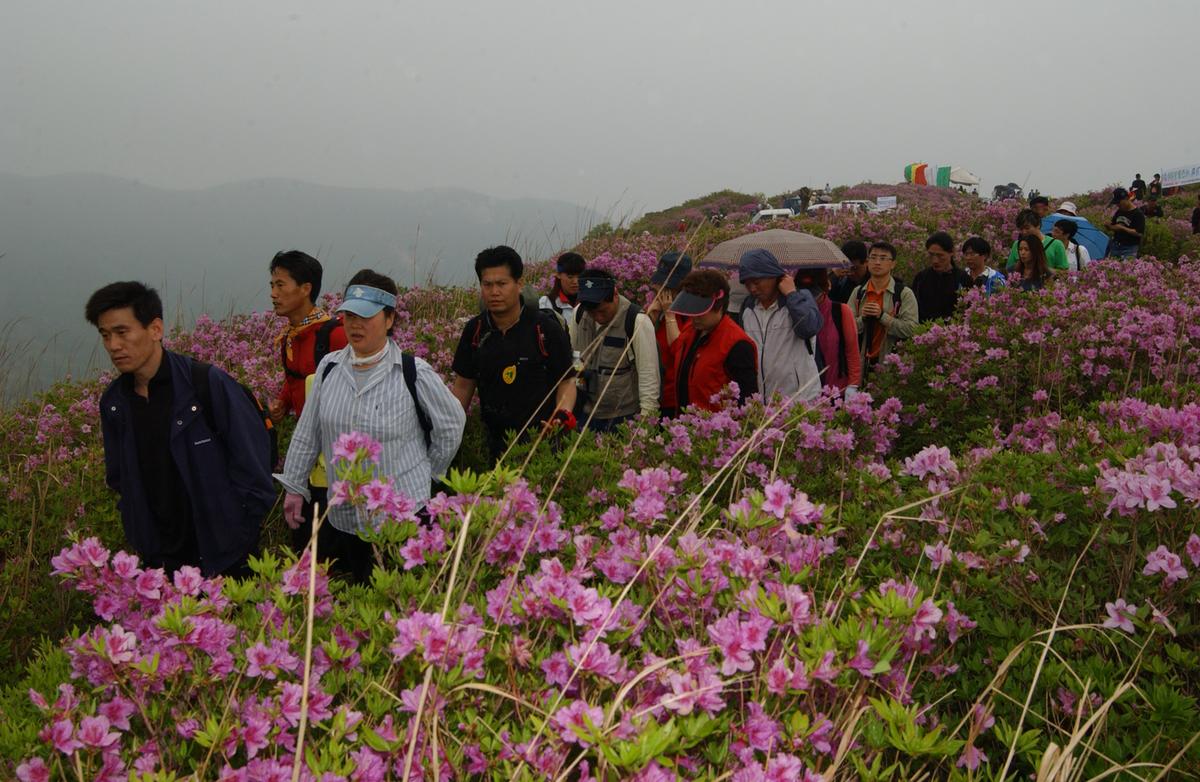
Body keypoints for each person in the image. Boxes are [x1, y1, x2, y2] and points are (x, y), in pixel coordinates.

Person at [277, 271, 466, 582]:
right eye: (349, 315)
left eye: (366, 316)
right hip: (343, 517)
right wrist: (294, 487)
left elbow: (451, 424)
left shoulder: (413, 372)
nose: (355, 324)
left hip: (399, 521)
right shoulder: (329, 368)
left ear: (390, 319)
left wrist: (428, 473)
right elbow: (308, 432)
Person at [88, 281, 275, 577]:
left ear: (155, 329)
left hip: (224, 559)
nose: (113, 345)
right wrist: (139, 532)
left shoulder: (205, 384)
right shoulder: (114, 404)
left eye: (122, 332)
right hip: (160, 563)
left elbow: (253, 465)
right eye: (105, 335)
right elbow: (120, 478)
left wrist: (237, 534)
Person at [452, 246, 576, 460]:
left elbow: (566, 381)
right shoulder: (475, 330)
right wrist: (448, 428)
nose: (494, 292)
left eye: (502, 284)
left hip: (543, 443)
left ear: (519, 284)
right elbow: (463, 386)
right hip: (495, 442)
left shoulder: (545, 328)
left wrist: (562, 415)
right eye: (487, 284)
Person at [571, 269, 659, 431]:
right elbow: (575, 356)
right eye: (592, 312)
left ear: (615, 294)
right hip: (586, 413)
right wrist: (579, 382)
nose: (597, 317)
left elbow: (649, 379)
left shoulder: (637, 321)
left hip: (623, 417)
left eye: (602, 311)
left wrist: (644, 428)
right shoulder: (579, 314)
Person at [269, 251, 348, 427]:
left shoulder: (335, 336)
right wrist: (283, 402)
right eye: (272, 285)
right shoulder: (289, 337)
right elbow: (295, 380)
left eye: (280, 285)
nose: (273, 294)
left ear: (306, 289)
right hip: (306, 438)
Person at [736, 248, 823, 402]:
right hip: (762, 401)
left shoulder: (800, 298)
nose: (752, 289)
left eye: (756, 282)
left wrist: (791, 295)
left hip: (799, 399)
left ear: (775, 276)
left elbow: (809, 328)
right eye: (747, 284)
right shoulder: (748, 308)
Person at [667, 269, 758, 411]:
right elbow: (676, 349)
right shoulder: (692, 330)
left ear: (719, 306)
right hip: (686, 425)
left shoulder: (738, 344)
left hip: (714, 430)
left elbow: (748, 401)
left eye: (700, 312)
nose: (694, 317)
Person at [848, 242, 919, 378]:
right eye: (873, 257)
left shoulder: (904, 293)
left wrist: (882, 317)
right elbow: (847, 328)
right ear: (867, 262)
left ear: (893, 264)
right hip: (861, 363)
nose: (877, 262)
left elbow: (911, 329)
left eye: (883, 258)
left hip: (891, 366)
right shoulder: (858, 293)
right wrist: (862, 318)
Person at [794, 269, 861, 396]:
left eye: (814, 296)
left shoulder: (841, 311)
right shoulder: (792, 313)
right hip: (804, 393)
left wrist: (853, 385)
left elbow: (852, 352)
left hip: (836, 391)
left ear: (825, 289)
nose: (810, 301)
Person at [644, 250, 694, 418]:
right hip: (654, 393)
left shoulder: (690, 313)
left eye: (665, 287)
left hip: (675, 397)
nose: (658, 289)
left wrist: (669, 313)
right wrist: (651, 317)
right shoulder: (654, 309)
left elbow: (678, 348)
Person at [911, 232, 973, 323]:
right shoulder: (921, 278)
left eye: (940, 256)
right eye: (931, 255)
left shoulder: (963, 279)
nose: (935, 261)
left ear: (951, 252)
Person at [539, 252, 585, 324]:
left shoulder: (588, 302)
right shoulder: (547, 303)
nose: (575, 282)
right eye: (570, 277)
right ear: (558, 275)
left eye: (579, 277)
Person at [1107, 187, 1145, 259]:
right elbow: (1115, 226)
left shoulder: (1138, 214)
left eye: (1119, 202)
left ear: (1126, 198)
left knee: (1127, 268)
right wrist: (1109, 226)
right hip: (1116, 245)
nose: (1118, 205)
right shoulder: (1119, 212)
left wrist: (1123, 228)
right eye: (1116, 203)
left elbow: (1139, 233)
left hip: (1129, 248)